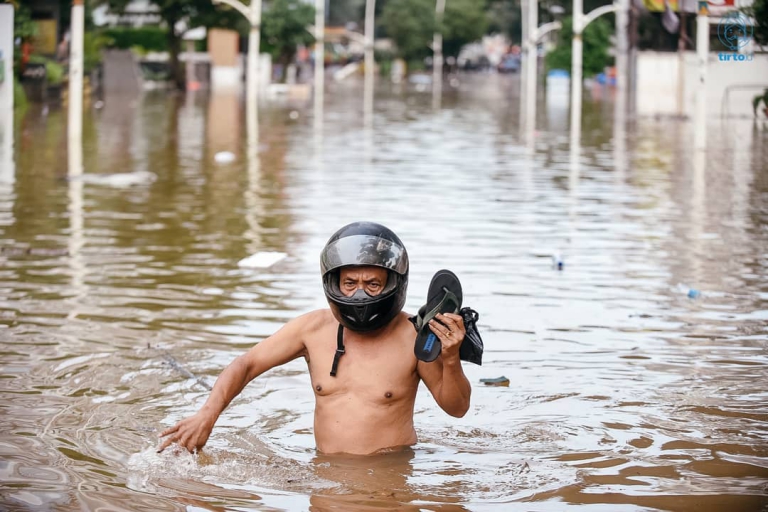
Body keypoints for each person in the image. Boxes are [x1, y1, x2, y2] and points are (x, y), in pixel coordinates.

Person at [158, 222, 471, 455]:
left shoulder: (414, 336)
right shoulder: (312, 329)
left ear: (394, 282)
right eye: (350, 283)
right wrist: (206, 415)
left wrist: (450, 356)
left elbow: (456, 408)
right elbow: (247, 363)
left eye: (372, 284)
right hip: (325, 477)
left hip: (390, 479)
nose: (359, 292)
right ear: (334, 282)